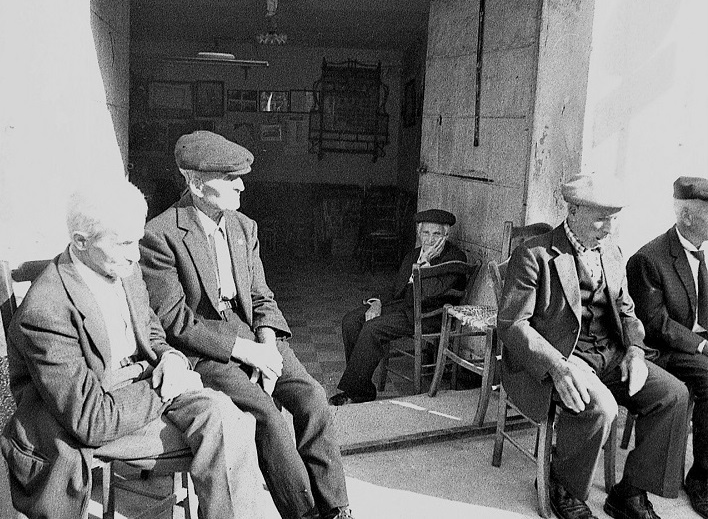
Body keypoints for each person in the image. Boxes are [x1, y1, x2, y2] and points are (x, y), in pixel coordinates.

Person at [0, 179, 264, 519]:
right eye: (124, 243)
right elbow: (91, 420)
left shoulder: (122, 267)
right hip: (84, 415)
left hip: (138, 386)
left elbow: (150, 329)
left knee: (230, 419)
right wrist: (166, 387)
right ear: (80, 241)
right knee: (224, 439)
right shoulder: (45, 311)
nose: (136, 255)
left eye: (137, 240)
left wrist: (170, 358)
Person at [139, 130, 353, 519]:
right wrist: (245, 352)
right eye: (229, 177)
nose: (241, 186)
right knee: (266, 415)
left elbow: (261, 297)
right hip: (206, 348)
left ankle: (337, 509)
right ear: (196, 184)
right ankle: (304, 514)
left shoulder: (244, 227)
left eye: (241, 177)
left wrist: (267, 348)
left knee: (313, 398)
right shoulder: (160, 235)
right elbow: (175, 320)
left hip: (254, 336)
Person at [498, 173, 689, 519]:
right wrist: (557, 365)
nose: (609, 228)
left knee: (673, 395)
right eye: (601, 218)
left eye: (614, 218)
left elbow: (627, 310)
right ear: (572, 211)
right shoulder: (534, 254)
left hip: (610, 355)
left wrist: (635, 350)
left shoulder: (612, 253)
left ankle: (630, 493)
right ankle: (563, 487)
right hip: (560, 356)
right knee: (601, 407)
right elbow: (513, 325)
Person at [627, 176, 708, 518]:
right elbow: (656, 324)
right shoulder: (649, 259)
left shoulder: (702, 249)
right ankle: (702, 480)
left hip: (695, 344)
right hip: (664, 351)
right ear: (687, 216)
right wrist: (702, 345)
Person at [329, 209, 467, 406]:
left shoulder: (455, 257)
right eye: (426, 233)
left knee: (372, 328)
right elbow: (396, 287)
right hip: (404, 307)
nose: (430, 239)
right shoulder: (413, 254)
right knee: (351, 321)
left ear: (446, 235)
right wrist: (377, 302)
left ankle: (356, 392)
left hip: (428, 314)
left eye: (436, 234)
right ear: (419, 233)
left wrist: (425, 264)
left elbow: (430, 292)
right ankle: (361, 387)